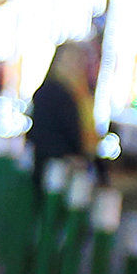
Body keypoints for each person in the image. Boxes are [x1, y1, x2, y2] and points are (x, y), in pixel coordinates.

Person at [26, 45, 90, 194]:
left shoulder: (78, 94)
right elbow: (42, 134)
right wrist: (69, 156)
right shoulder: (52, 92)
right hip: (53, 169)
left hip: (64, 168)